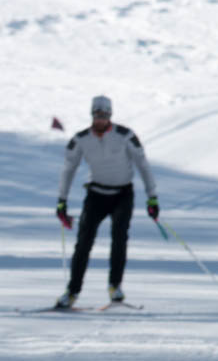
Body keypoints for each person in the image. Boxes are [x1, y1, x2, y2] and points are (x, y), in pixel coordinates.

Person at [54, 95, 159, 308]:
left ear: (110, 116)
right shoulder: (81, 139)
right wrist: (62, 201)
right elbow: (68, 169)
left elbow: (143, 165)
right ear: (92, 115)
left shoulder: (125, 135)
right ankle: (72, 292)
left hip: (122, 194)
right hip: (96, 195)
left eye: (104, 115)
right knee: (83, 242)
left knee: (119, 239)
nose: (100, 119)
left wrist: (152, 196)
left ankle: (115, 287)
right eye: (97, 115)